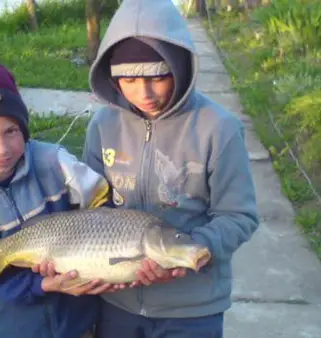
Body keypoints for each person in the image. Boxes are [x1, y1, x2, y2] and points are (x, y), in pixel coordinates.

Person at [82, 0, 260, 337]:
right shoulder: (103, 125)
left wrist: (190, 249)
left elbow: (239, 216)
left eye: (158, 76)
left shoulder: (219, 129)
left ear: (179, 67)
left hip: (192, 308)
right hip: (117, 304)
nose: (144, 93)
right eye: (129, 80)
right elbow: (92, 208)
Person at [0, 59, 111, 338]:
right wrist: (41, 284)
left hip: (79, 318)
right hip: (17, 327)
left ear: (23, 129)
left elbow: (100, 198)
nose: (1, 149)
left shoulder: (55, 162)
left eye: (11, 131)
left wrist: (85, 244)